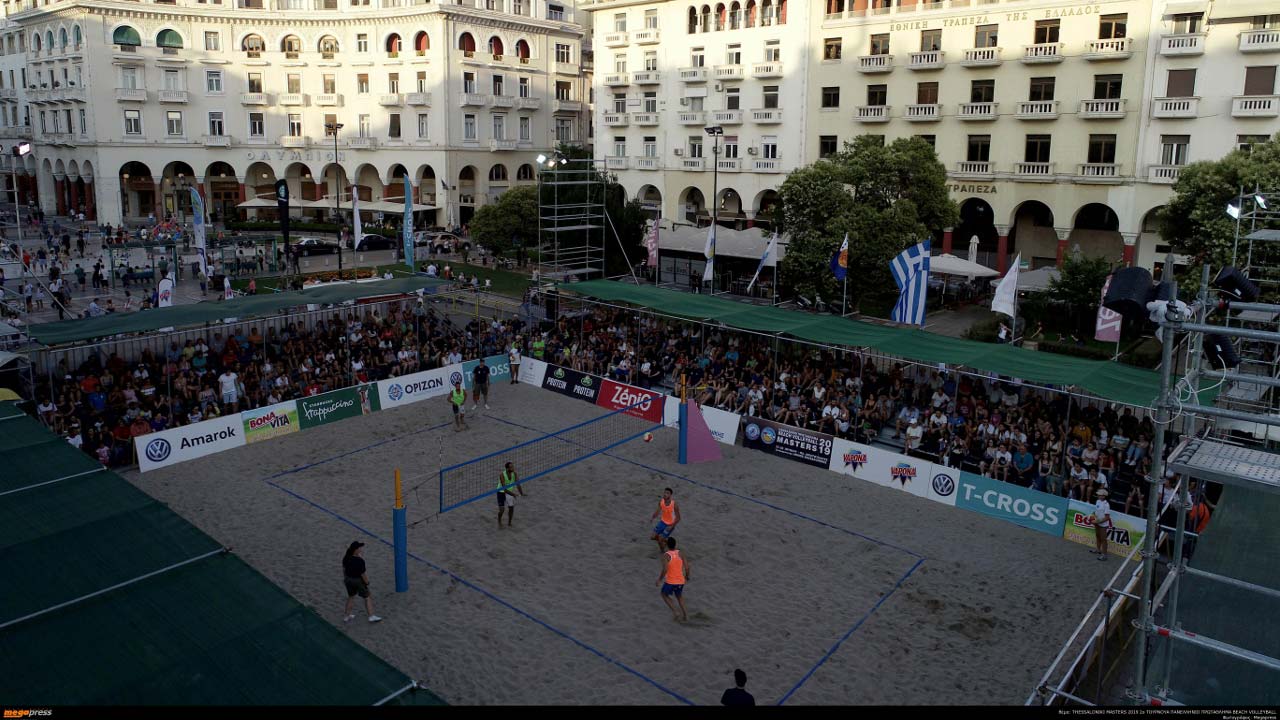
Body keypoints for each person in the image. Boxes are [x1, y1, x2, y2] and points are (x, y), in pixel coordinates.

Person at [342, 541, 382, 623]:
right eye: (359, 548)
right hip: (357, 580)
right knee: (367, 597)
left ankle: (346, 616)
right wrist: (367, 582)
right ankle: (371, 616)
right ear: (356, 550)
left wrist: (345, 578)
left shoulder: (346, 558)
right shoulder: (360, 561)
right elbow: (363, 574)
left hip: (348, 579)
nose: (361, 549)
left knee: (351, 596)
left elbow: (344, 569)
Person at [656, 537, 689, 622]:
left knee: (664, 594)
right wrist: (687, 576)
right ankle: (685, 616)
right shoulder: (680, 553)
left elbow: (665, 569)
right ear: (675, 544)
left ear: (667, 545)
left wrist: (659, 579)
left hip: (671, 581)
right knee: (679, 597)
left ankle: (676, 612)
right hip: (680, 581)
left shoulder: (666, 556)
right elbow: (687, 567)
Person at [649, 487, 681, 555]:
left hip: (670, 525)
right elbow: (657, 511)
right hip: (662, 522)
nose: (665, 494)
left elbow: (678, 518)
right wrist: (653, 517)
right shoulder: (661, 502)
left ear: (670, 495)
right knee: (652, 537)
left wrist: (671, 526)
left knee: (660, 540)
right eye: (665, 492)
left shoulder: (674, 505)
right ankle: (667, 541)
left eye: (667, 493)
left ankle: (663, 552)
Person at [496, 461, 525, 528]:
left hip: (509, 492)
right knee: (502, 510)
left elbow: (518, 485)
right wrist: (514, 494)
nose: (513, 468)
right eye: (511, 467)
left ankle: (509, 523)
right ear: (507, 468)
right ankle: (499, 521)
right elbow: (505, 489)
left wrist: (522, 493)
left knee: (511, 508)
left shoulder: (514, 474)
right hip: (501, 492)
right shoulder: (502, 475)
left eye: (513, 466)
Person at [1092, 488, 1112, 560]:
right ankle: (1098, 549)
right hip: (1097, 522)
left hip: (1103, 525)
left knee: (1103, 539)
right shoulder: (1097, 501)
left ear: (1104, 496)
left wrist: (1097, 521)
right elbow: (1096, 512)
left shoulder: (1106, 505)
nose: (1098, 495)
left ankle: (1104, 555)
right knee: (1098, 536)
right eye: (1098, 494)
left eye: (1100, 495)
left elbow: (1107, 517)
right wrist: (1092, 517)